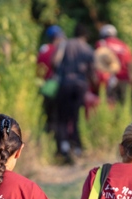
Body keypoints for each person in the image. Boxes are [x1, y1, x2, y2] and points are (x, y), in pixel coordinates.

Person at [54, 24, 95, 162]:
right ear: (85, 35)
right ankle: (78, 148)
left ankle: (64, 147)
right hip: (81, 85)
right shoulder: (88, 49)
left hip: (65, 83)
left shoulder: (65, 44)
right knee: (78, 117)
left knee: (63, 118)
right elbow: (92, 72)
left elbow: (55, 61)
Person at [95, 24, 132, 103]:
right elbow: (130, 63)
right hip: (124, 79)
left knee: (109, 105)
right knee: (124, 104)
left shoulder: (102, 44)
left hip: (108, 80)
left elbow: (97, 61)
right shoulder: (124, 45)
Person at [37, 25, 65, 134]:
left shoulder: (43, 49)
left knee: (47, 115)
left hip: (44, 85)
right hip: (56, 86)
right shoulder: (59, 50)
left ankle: (47, 135)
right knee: (57, 115)